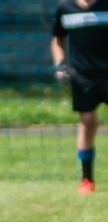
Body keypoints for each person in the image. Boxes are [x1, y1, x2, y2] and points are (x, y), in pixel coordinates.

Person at [53, 0, 108, 194]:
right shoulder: (65, 8)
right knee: (87, 122)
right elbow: (57, 38)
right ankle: (86, 179)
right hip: (83, 78)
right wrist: (60, 64)